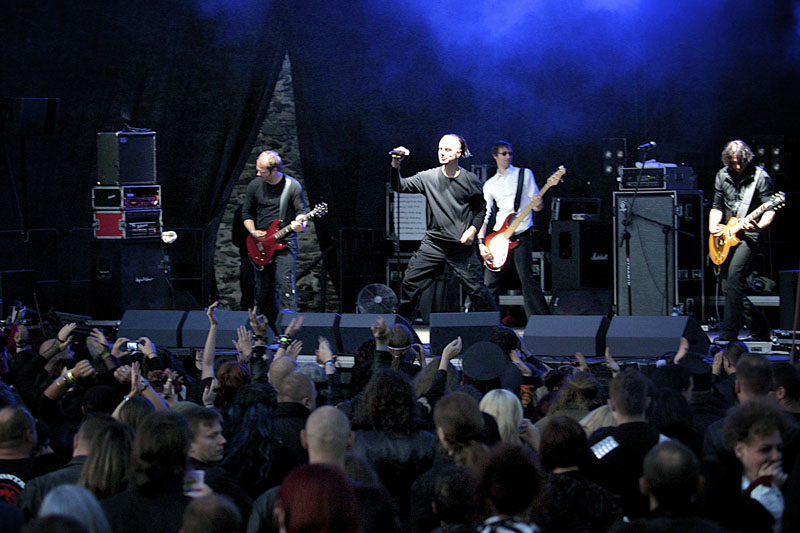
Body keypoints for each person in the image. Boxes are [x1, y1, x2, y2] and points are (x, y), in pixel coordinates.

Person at [389, 135, 497, 322]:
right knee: (410, 284)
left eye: (448, 150)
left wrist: (472, 230)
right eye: (440, 149)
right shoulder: (428, 177)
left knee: (477, 289)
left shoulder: (470, 180)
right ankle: (401, 333)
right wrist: (396, 164)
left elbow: (481, 209)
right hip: (434, 243)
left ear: (459, 153)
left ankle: (495, 331)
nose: (442, 153)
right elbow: (398, 186)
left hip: (460, 247)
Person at [709, 140, 776, 342]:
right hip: (727, 233)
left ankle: (729, 333)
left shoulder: (760, 177)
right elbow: (717, 205)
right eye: (734, 163)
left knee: (735, 276)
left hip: (749, 234)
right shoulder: (722, 175)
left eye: (741, 162)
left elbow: (770, 208)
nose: (738, 167)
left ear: (747, 158)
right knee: (728, 287)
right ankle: (760, 327)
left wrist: (759, 226)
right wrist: (713, 227)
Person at [478, 141, 550, 317]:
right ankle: (488, 320)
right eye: (503, 154)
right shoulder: (490, 184)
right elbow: (484, 215)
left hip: (522, 232)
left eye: (510, 153)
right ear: (495, 156)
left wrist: (539, 205)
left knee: (527, 279)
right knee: (490, 282)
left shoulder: (524, 174)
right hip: (498, 236)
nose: (508, 157)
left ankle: (541, 321)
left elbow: (537, 205)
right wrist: (481, 242)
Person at [242, 150, 307, 333]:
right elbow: (246, 213)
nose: (258, 174)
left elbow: (301, 212)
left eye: (261, 171)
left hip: (284, 243)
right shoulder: (254, 186)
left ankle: (289, 332)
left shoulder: (292, 186)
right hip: (260, 243)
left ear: (273, 170)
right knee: (263, 291)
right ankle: (267, 333)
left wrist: (300, 223)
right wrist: (253, 231)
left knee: (285, 285)